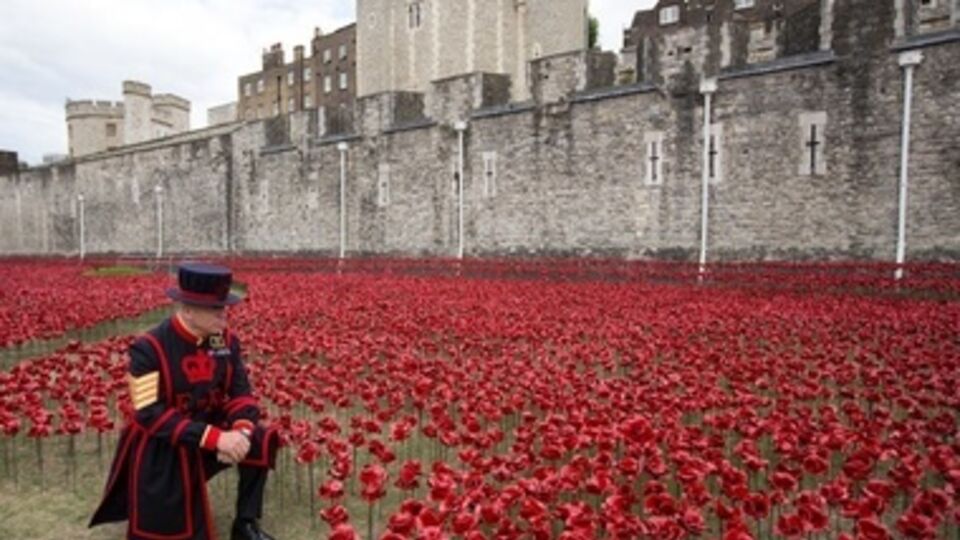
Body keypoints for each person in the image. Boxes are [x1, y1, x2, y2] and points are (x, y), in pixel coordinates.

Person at [90, 262, 280, 540]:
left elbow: (241, 393)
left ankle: (245, 523)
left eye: (224, 307)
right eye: (216, 309)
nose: (224, 315)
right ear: (188, 310)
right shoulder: (149, 347)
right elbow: (148, 414)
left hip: (210, 426)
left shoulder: (224, 341)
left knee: (259, 438)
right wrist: (215, 438)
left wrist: (240, 433)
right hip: (164, 442)